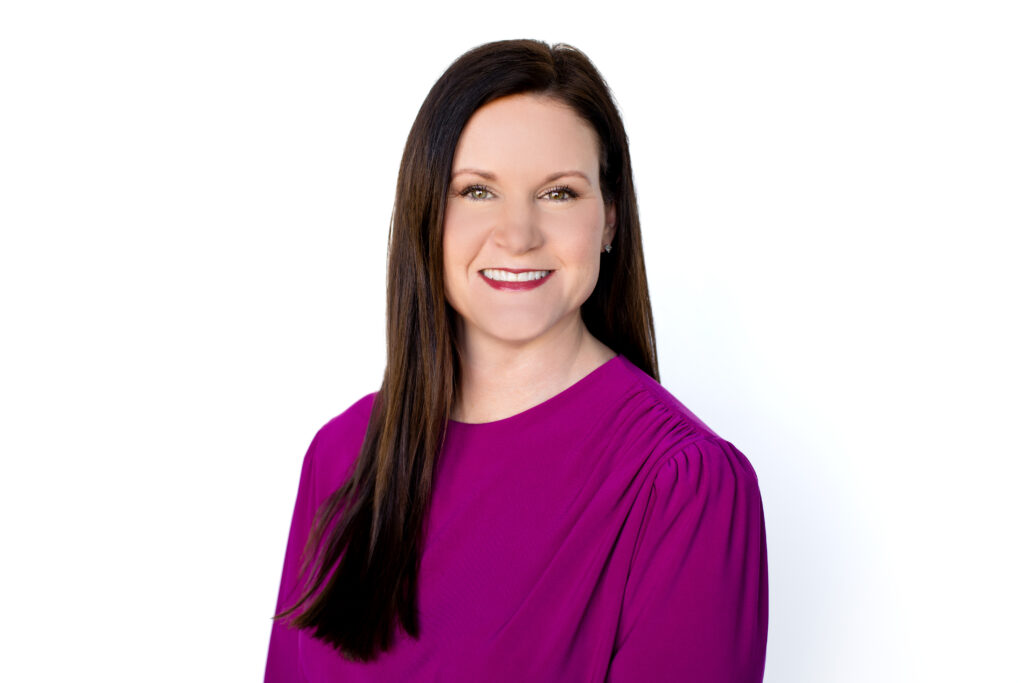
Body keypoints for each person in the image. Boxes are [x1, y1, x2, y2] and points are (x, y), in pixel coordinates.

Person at [264, 39, 768, 682]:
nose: (518, 234)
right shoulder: (341, 457)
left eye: (558, 194)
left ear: (610, 219)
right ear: (427, 214)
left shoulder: (685, 486)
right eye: (477, 191)